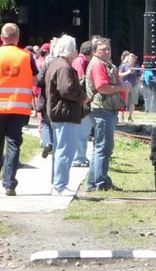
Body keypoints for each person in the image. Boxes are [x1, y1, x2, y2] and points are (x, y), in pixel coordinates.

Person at [0, 23, 38, 196]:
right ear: (17, 38)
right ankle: (9, 184)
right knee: (13, 144)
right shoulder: (26, 56)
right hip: (18, 108)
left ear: (2, 37)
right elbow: (35, 80)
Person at [43, 35, 90, 196]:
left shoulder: (54, 64)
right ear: (71, 50)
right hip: (65, 113)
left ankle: (56, 183)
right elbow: (66, 90)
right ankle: (60, 185)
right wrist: (83, 97)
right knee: (65, 151)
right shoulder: (64, 67)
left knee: (59, 150)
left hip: (58, 112)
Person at [84, 36, 127, 191]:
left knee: (100, 147)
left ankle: (93, 183)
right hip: (102, 110)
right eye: (103, 49)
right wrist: (121, 88)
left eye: (108, 48)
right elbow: (102, 87)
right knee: (104, 148)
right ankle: (101, 182)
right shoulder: (97, 65)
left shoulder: (105, 64)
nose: (107, 51)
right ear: (95, 51)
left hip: (105, 109)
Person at [71, 40, 94, 167]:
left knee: (83, 132)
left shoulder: (80, 61)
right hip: (81, 103)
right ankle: (78, 158)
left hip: (81, 103)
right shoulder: (80, 62)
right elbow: (81, 82)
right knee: (81, 132)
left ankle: (81, 157)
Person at [118, 51, 142, 123]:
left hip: (134, 86)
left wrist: (138, 83)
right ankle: (122, 117)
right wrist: (127, 72)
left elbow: (139, 76)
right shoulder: (123, 66)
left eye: (133, 58)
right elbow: (119, 75)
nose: (132, 59)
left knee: (132, 102)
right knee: (123, 102)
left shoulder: (136, 67)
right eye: (131, 58)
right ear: (128, 59)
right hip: (125, 86)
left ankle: (130, 117)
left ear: (135, 59)